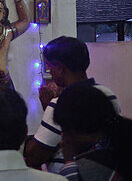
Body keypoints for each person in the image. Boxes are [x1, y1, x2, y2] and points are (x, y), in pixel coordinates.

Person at [24, 36, 121, 173]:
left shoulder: (61, 103)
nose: (49, 72)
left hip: (71, 178)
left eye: (49, 66)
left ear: (60, 68)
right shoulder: (108, 94)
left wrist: (50, 111)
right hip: (103, 175)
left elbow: (35, 155)